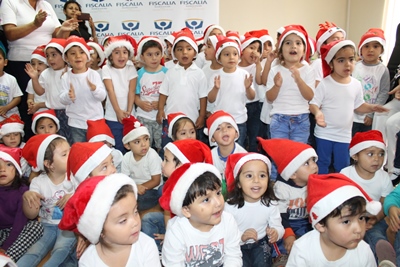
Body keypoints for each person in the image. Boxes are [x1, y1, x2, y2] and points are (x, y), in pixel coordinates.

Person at [0, 0, 78, 138]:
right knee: (28, 107)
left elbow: (57, 36)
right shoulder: (10, 2)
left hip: (48, 62)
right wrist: (35, 24)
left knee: (52, 103)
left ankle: (55, 141)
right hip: (22, 63)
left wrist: (64, 30)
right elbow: (10, 34)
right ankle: (31, 143)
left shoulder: (46, 5)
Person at [309, 40, 388, 174]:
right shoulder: (325, 83)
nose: (347, 64)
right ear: (331, 64)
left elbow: (359, 106)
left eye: (351, 59)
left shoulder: (356, 84)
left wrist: (372, 108)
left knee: (343, 165)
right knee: (323, 162)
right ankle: (322, 188)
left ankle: (342, 189)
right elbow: (313, 104)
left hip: (344, 135)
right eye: (341, 60)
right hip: (324, 133)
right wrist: (317, 113)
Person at [58, 174, 161, 266]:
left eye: (135, 211)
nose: (135, 222)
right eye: (123, 221)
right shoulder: (88, 261)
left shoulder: (146, 247)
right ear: (100, 231)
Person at [286, 173, 381, 266]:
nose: (359, 229)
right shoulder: (302, 251)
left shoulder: (364, 252)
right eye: (346, 221)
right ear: (320, 224)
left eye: (361, 218)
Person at [159, 162, 242, 266]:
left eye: (218, 193)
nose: (218, 203)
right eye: (206, 200)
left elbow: (233, 256)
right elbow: (174, 264)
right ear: (186, 211)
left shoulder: (228, 220)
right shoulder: (177, 231)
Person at [141, 139, 213, 251]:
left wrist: (172, 238)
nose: (162, 163)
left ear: (182, 166)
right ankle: (157, 253)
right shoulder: (170, 185)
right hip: (175, 225)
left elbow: (197, 224)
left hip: (195, 231)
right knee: (149, 219)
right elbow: (167, 214)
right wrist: (169, 234)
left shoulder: (196, 191)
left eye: (166, 160)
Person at [18, 134, 76, 267]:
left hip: (69, 225)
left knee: (62, 249)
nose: (71, 156)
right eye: (64, 154)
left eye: (70, 151)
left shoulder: (74, 176)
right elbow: (31, 215)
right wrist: (28, 197)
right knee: (34, 251)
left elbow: (86, 197)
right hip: (46, 225)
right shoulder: (38, 182)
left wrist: (75, 196)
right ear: (49, 164)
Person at [258, 137, 317, 264]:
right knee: (275, 238)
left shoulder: (315, 182)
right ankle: (280, 257)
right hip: (284, 221)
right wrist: (288, 234)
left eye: (313, 160)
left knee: (317, 237)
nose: (314, 166)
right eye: (307, 163)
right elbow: (280, 214)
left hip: (305, 222)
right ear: (292, 174)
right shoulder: (282, 188)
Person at [340, 130, 394, 262]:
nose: (377, 159)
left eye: (381, 154)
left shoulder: (384, 177)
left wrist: (375, 218)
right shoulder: (345, 174)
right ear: (355, 156)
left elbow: (384, 202)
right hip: (350, 217)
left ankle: (387, 256)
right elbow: (340, 202)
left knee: (379, 230)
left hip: (374, 218)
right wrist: (357, 220)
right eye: (370, 154)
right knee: (363, 234)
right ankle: (380, 252)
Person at [224, 152, 284, 266]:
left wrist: (276, 233)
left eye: (262, 175)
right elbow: (225, 232)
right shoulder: (230, 206)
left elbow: (278, 226)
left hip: (260, 242)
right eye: (249, 176)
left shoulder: (270, 203)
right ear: (239, 184)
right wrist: (242, 236)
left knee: (263, 263)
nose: (256, 180)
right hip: (237, 244)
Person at [157, 28, 208, 143]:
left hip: (191, 118)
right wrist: (160, 110)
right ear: (174, 53)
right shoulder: (170, 71)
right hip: (170, 117)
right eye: (180, 49)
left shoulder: (199, 73)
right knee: (168, 145)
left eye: (189, 49)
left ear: (195, 52)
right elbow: (163, 93)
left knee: (190, 146)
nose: (184, 52)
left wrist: (202, 115)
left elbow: (203, 97)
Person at [266, 25, 314, 145]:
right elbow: (269, 98)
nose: (293, 46)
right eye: (288, 43)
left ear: (304, 50)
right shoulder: (274, 70)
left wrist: (299, 80)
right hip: (279, 119)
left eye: (298, 43)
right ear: (281, 49)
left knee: (298, 157)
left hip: (301, 119)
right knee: (279, 155)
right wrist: (276, 86)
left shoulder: (308, 70)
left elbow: (309, 96)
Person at [208, 36, 255, 146]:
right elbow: (210, 99)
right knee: (221, 149)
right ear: (219, 59)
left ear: (239, 56)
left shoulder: (244, 74)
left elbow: (252, 97)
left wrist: (248, 88)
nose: (231, 57)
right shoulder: (215, 76)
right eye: (226, 54)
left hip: (239, 121)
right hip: (220, 121)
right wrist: (215, 88)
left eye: (235, 54)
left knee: (238, 149)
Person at [59, 36, 106, 144]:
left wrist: (95, 89)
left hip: (95, 122)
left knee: (97, 150)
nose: (78, 56)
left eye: (81, 52)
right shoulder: (66, 77)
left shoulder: (94, 74)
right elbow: (62, 99)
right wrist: (68, 95)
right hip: (76, 123)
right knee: (80, 152)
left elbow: (102, 96)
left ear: (87, 56)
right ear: (66, 58)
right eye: (73, 53)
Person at [0, 146, 43, 262]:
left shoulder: (22, 191)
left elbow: (19, 223)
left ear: (17, 169)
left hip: (17, 230)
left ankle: (6, 260)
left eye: (9, 165)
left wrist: (5, 248)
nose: (2, 169)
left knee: (36, 227)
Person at [25, 38, 71, 143]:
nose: (50, 59)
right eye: (47, 56)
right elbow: (40, 91)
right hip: (52, 113)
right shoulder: (46, 73)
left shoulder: (70, 71)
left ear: (64, 56)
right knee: (52, 141)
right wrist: (34, 79)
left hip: (69, 112)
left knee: (68, 140)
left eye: (54, 55)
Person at [102, 35, 137, 153]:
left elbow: (131, 91)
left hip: (129, 114)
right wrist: (118, 111)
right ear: (110, 55)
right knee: (117, 147)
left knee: (131, 145)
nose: (121, 56)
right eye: (117, 52)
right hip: (112, 115)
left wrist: (128, 111)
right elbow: (110, 91)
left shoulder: (130, 68)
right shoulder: (106, 69)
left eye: (124, 52)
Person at [352, 28, 390, 135]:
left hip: (368, 118)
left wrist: (371, 114)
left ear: (381, 50)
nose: (371, 50)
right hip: (351, 115)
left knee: (365, 144)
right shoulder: (354, 66)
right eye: (367, 46)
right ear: (360, 49)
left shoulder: (383, 70)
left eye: (375, 46)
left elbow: (383, 93)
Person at [121, 115, 162, 211]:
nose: (143, 144)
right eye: (137, 142)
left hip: (151, 189)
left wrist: (140, 187)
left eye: (146, 139)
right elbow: (125, 179)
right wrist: (134, 188)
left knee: (140, 200)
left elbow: (156, 181)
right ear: (127, 146)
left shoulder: (152, 155)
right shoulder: (127, 158)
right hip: (135, 188)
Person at [135, 36, 167, 152]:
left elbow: (171, 95)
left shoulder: (166, 73)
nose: (154, 58)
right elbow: (135, 94)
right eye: (149, 55)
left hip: (160, 117)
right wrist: (140, 103)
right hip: (144, 116)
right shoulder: (139, 74)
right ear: (142, 56)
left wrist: (161, 104)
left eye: (157, 54)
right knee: (144, 146)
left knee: (161, 146)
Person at [204, 110, 247, 196]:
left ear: (236, 133)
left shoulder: (243, 156)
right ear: (212, 138)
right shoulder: (209, 156)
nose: (224, 130)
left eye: (229, 126)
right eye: (218, 128)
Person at [238, 33, 263, 152]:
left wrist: (258, 64)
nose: (254, 52)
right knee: (241, 136)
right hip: (239, 105)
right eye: (251, 47)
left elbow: (259, 81)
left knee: (254, 136)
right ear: (242, 50)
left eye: (258, 50)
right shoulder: (234, 67)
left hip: (254, 105)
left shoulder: (256, 66)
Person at [312, 21, 346, 87]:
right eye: (335, 40)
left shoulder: (343, 62)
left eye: (342, 39)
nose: (340, 43)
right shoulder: (319, 63)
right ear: (323, 45)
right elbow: (317, 90)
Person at [202, 35, 223, 119]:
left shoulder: (225, 72)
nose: (205, 49)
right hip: (204, 113)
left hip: (219, 114)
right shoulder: (205, 69)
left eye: (209, 46)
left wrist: (213, 111)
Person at [0, 42, 22, 122]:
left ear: (5, 62)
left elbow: (17, 98)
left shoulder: (11, 79)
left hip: (11, 117)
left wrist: (6, 107)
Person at [26, 45, 48, 115]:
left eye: (40, 63)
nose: (36, 67)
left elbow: (54, 102)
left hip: (51, 111)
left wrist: (38, 105)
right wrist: (30, 103)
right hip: (37, 113)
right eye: (33, 64)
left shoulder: (50, 79)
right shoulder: (31, 81)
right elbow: (30, 98)